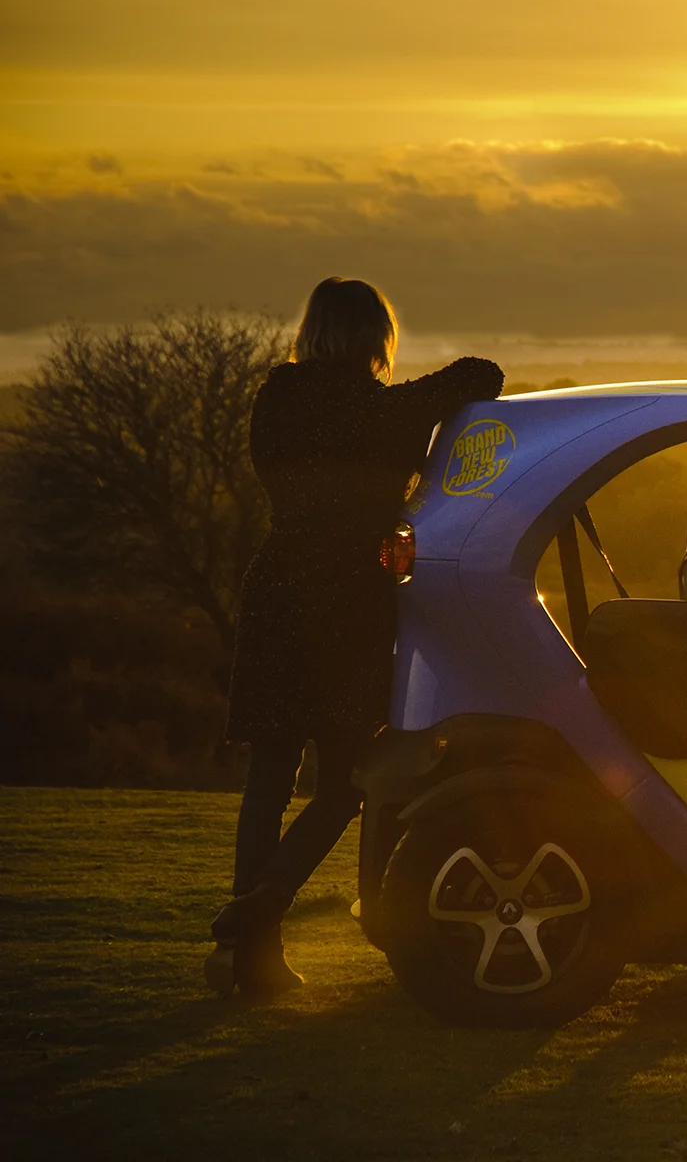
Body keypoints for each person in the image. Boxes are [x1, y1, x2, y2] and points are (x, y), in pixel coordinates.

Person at [206, 278, 504, 998]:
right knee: (347, 778)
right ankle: (266, 903)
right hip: (348, 598)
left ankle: (252, 952)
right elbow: (482, 377)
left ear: (313, 332)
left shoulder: (276, 397)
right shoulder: (382, 410)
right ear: (376, 338)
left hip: (278, 586)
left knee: (268, 780)